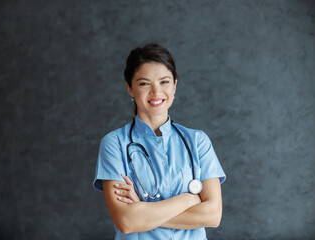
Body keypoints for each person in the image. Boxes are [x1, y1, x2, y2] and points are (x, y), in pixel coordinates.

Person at [93, 43, 226, 239]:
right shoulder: (114, 144)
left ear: (175, 85)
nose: (156, 92)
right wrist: (189, 199)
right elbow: (126, 222)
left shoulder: (198, 142)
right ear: (130, 88)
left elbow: (213, 215)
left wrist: (142, 210)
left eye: (164, 82)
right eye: (144, 83)